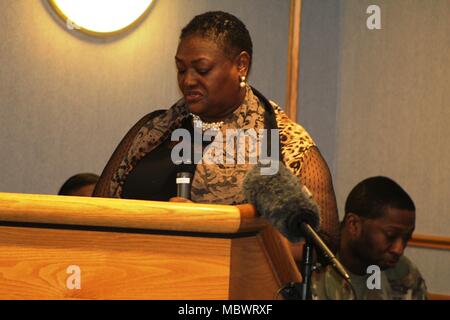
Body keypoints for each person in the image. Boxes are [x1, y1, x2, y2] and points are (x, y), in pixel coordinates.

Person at [93, 11, 339, 260]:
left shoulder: (288, 145)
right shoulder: (151, 132)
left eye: (202, 69)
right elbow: (95, 214)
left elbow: (321, 248)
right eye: (181, 69)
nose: (188, 80)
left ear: (241, 65)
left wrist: (209, 226)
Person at [311, 176, 427, 300]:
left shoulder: (404, 273)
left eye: (406, 238)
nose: (399, 249)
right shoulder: (310, 266)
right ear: (354, 224)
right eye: (390, 236)